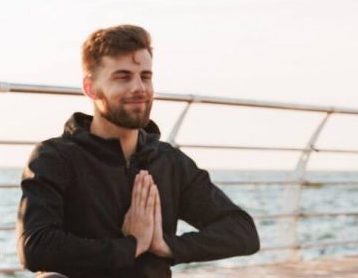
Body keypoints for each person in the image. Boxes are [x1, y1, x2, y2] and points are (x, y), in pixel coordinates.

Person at [16, 25, 259, 277]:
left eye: (145, 76)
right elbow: (34, 248)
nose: (139, 88)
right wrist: (131, 247)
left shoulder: (168, 161)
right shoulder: (55, 157)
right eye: (123, 77)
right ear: (90, 88)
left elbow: (243, 232)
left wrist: (165, 245)